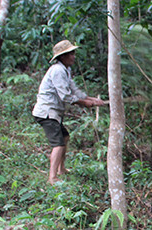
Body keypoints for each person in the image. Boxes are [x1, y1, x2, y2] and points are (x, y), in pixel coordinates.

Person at [32, 40, 107, 184]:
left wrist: (92, 99)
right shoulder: (57, 70)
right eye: (70, 54)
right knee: (58, 144)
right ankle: (52, 177)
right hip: (47, 112)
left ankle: (61, 169)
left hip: (54, 112)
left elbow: (74, 91)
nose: (73, 56)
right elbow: (65, 96)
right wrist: (84, 103)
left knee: (65, 137)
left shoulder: (66, 70)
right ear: (63, 56)